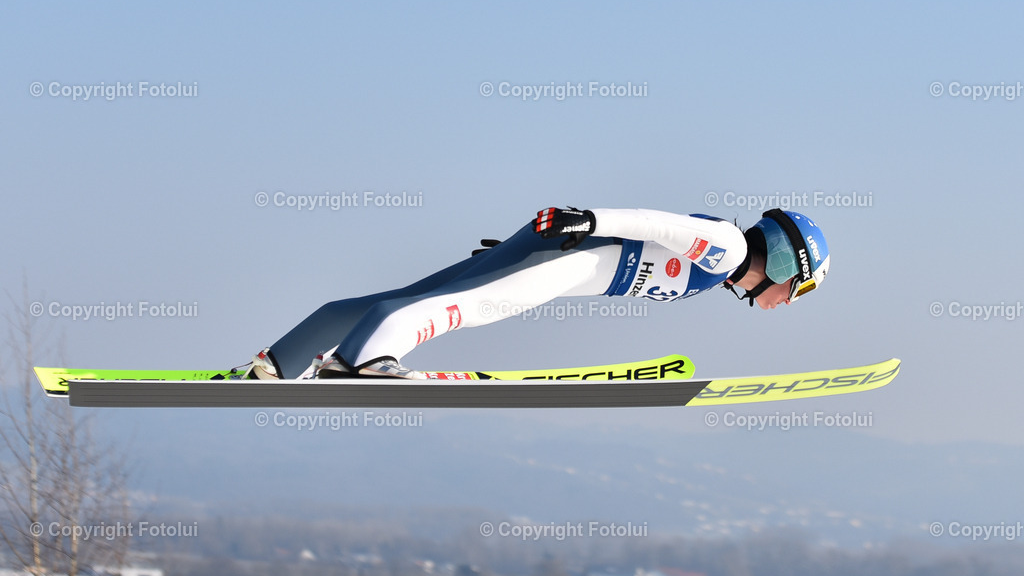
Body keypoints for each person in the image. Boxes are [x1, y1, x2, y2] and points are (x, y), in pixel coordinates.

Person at [247, 207, 830, 380]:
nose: (783, 304)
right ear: (785, 264)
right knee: (470, 308)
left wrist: (517, 247)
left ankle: (281, 362)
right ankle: (361, 361)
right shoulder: (726, 247)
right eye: (795, 292)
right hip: (567, 253)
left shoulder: (717, 266)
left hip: (562, 255)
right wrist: (585, 219)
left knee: (414, 294)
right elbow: (656, 225)